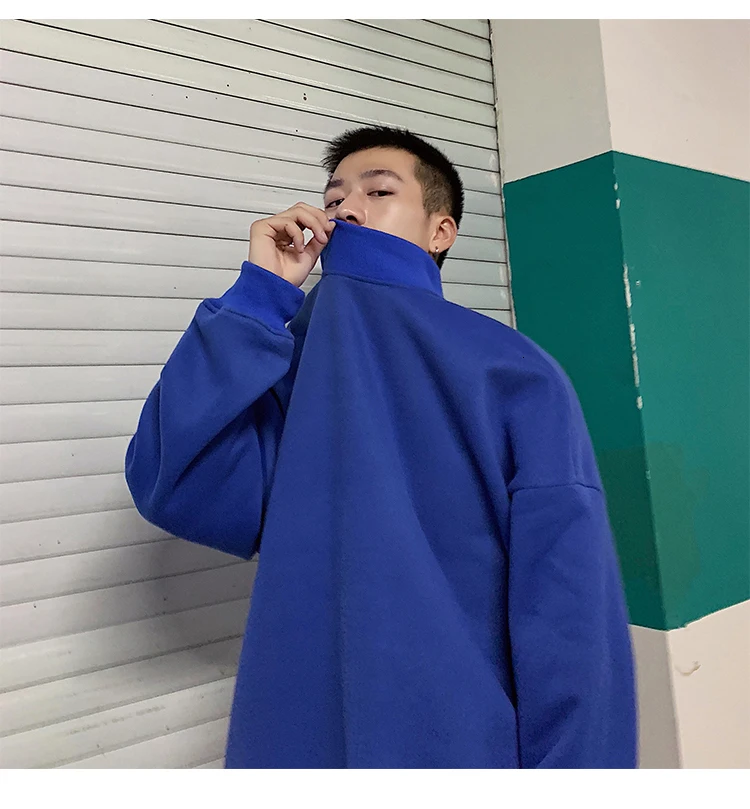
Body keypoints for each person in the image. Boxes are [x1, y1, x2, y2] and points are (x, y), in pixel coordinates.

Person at [125, 125, 638, 768]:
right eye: (333, 197)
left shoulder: (511, 372)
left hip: (456, 745)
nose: (346, 208)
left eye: (379, 191)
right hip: (294, 734)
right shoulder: (286, 362)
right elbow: (173, 485)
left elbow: (571, 618)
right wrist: (259, 295)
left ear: (441, 232)